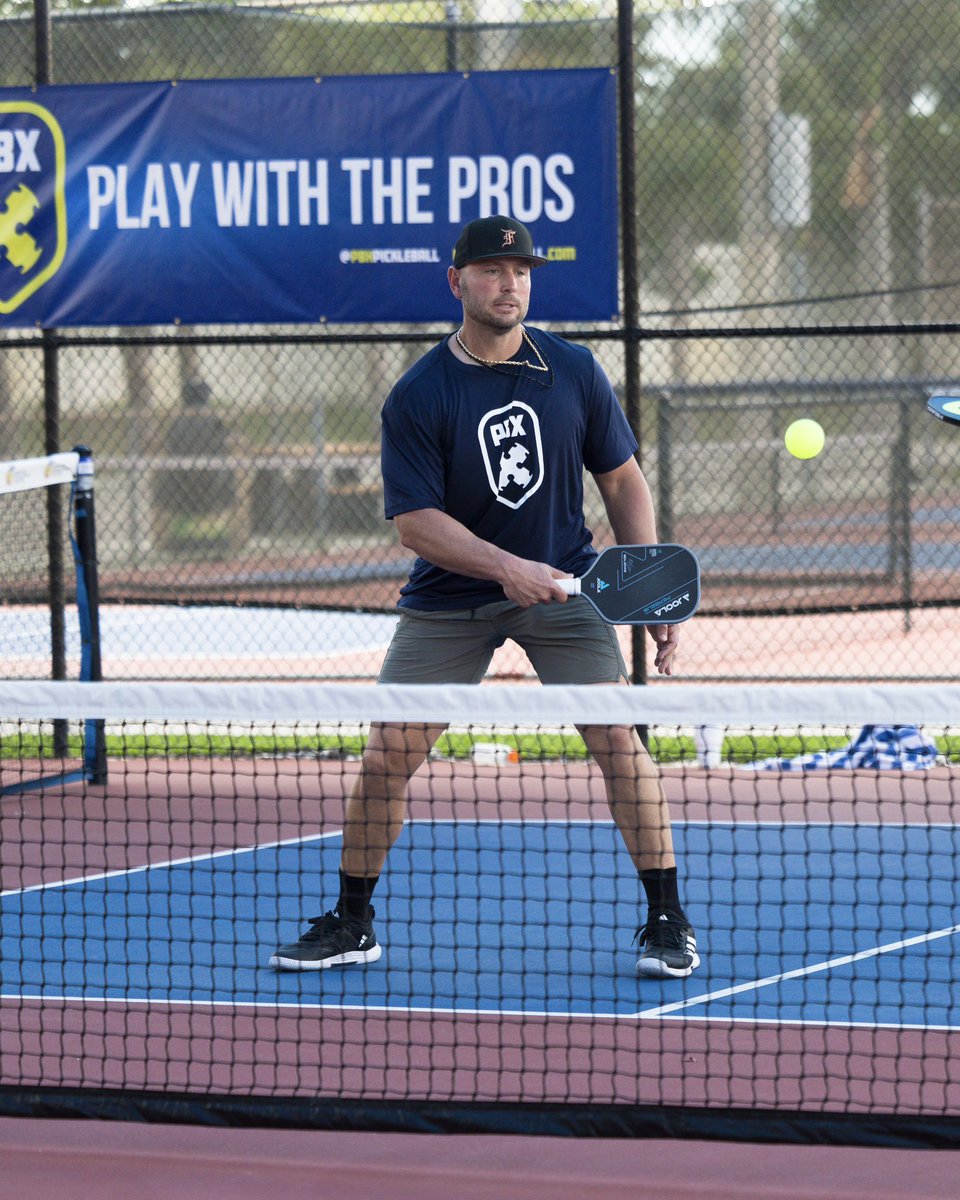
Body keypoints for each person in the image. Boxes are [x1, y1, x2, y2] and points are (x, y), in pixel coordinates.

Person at [270, 215, 700, 979]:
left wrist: (650, 585)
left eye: (523, 271)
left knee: (617, 741)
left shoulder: (572, 368)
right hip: (447, 599)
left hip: (565, 590)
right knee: (385, 758)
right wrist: (506, 567)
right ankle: (353, 920)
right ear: (457, 281)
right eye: (495, 271)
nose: (512, 284)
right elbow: (415, 524)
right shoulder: (420, 394)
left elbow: (622, 478)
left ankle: (668, 919)